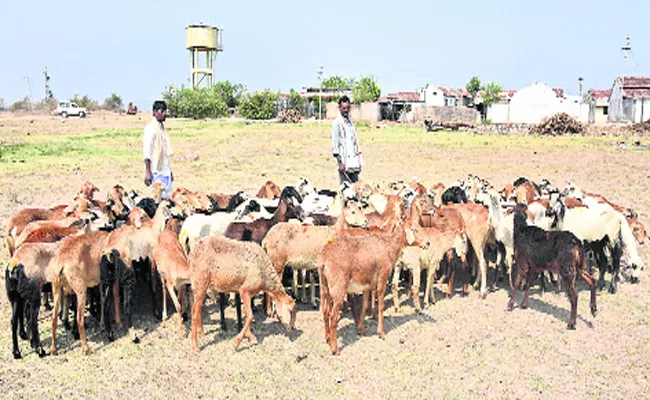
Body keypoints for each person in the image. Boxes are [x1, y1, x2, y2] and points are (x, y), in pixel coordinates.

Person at [143, 100, 174, 197]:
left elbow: (164, 152)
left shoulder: (161, 128)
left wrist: (169, 171)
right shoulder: (150, 128)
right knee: (157, 200)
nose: (165, 114)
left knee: (168, 201)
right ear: (154, 112)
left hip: (165, 172)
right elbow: (147, 152)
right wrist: (148, 172)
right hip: (156, 171)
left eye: (165, 111)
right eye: (162, 111)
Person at [331, 95, 363, 183]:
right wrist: (340, 162)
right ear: (340, 108)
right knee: (346, 190)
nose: (346, 110)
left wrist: (359, 162)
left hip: (353, 162)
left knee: (356, 188)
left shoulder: (350, 122)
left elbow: (355, 142)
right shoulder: (336, 123)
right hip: (344, 162)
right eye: (344, 108)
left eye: (347, 108)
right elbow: (335, 145)